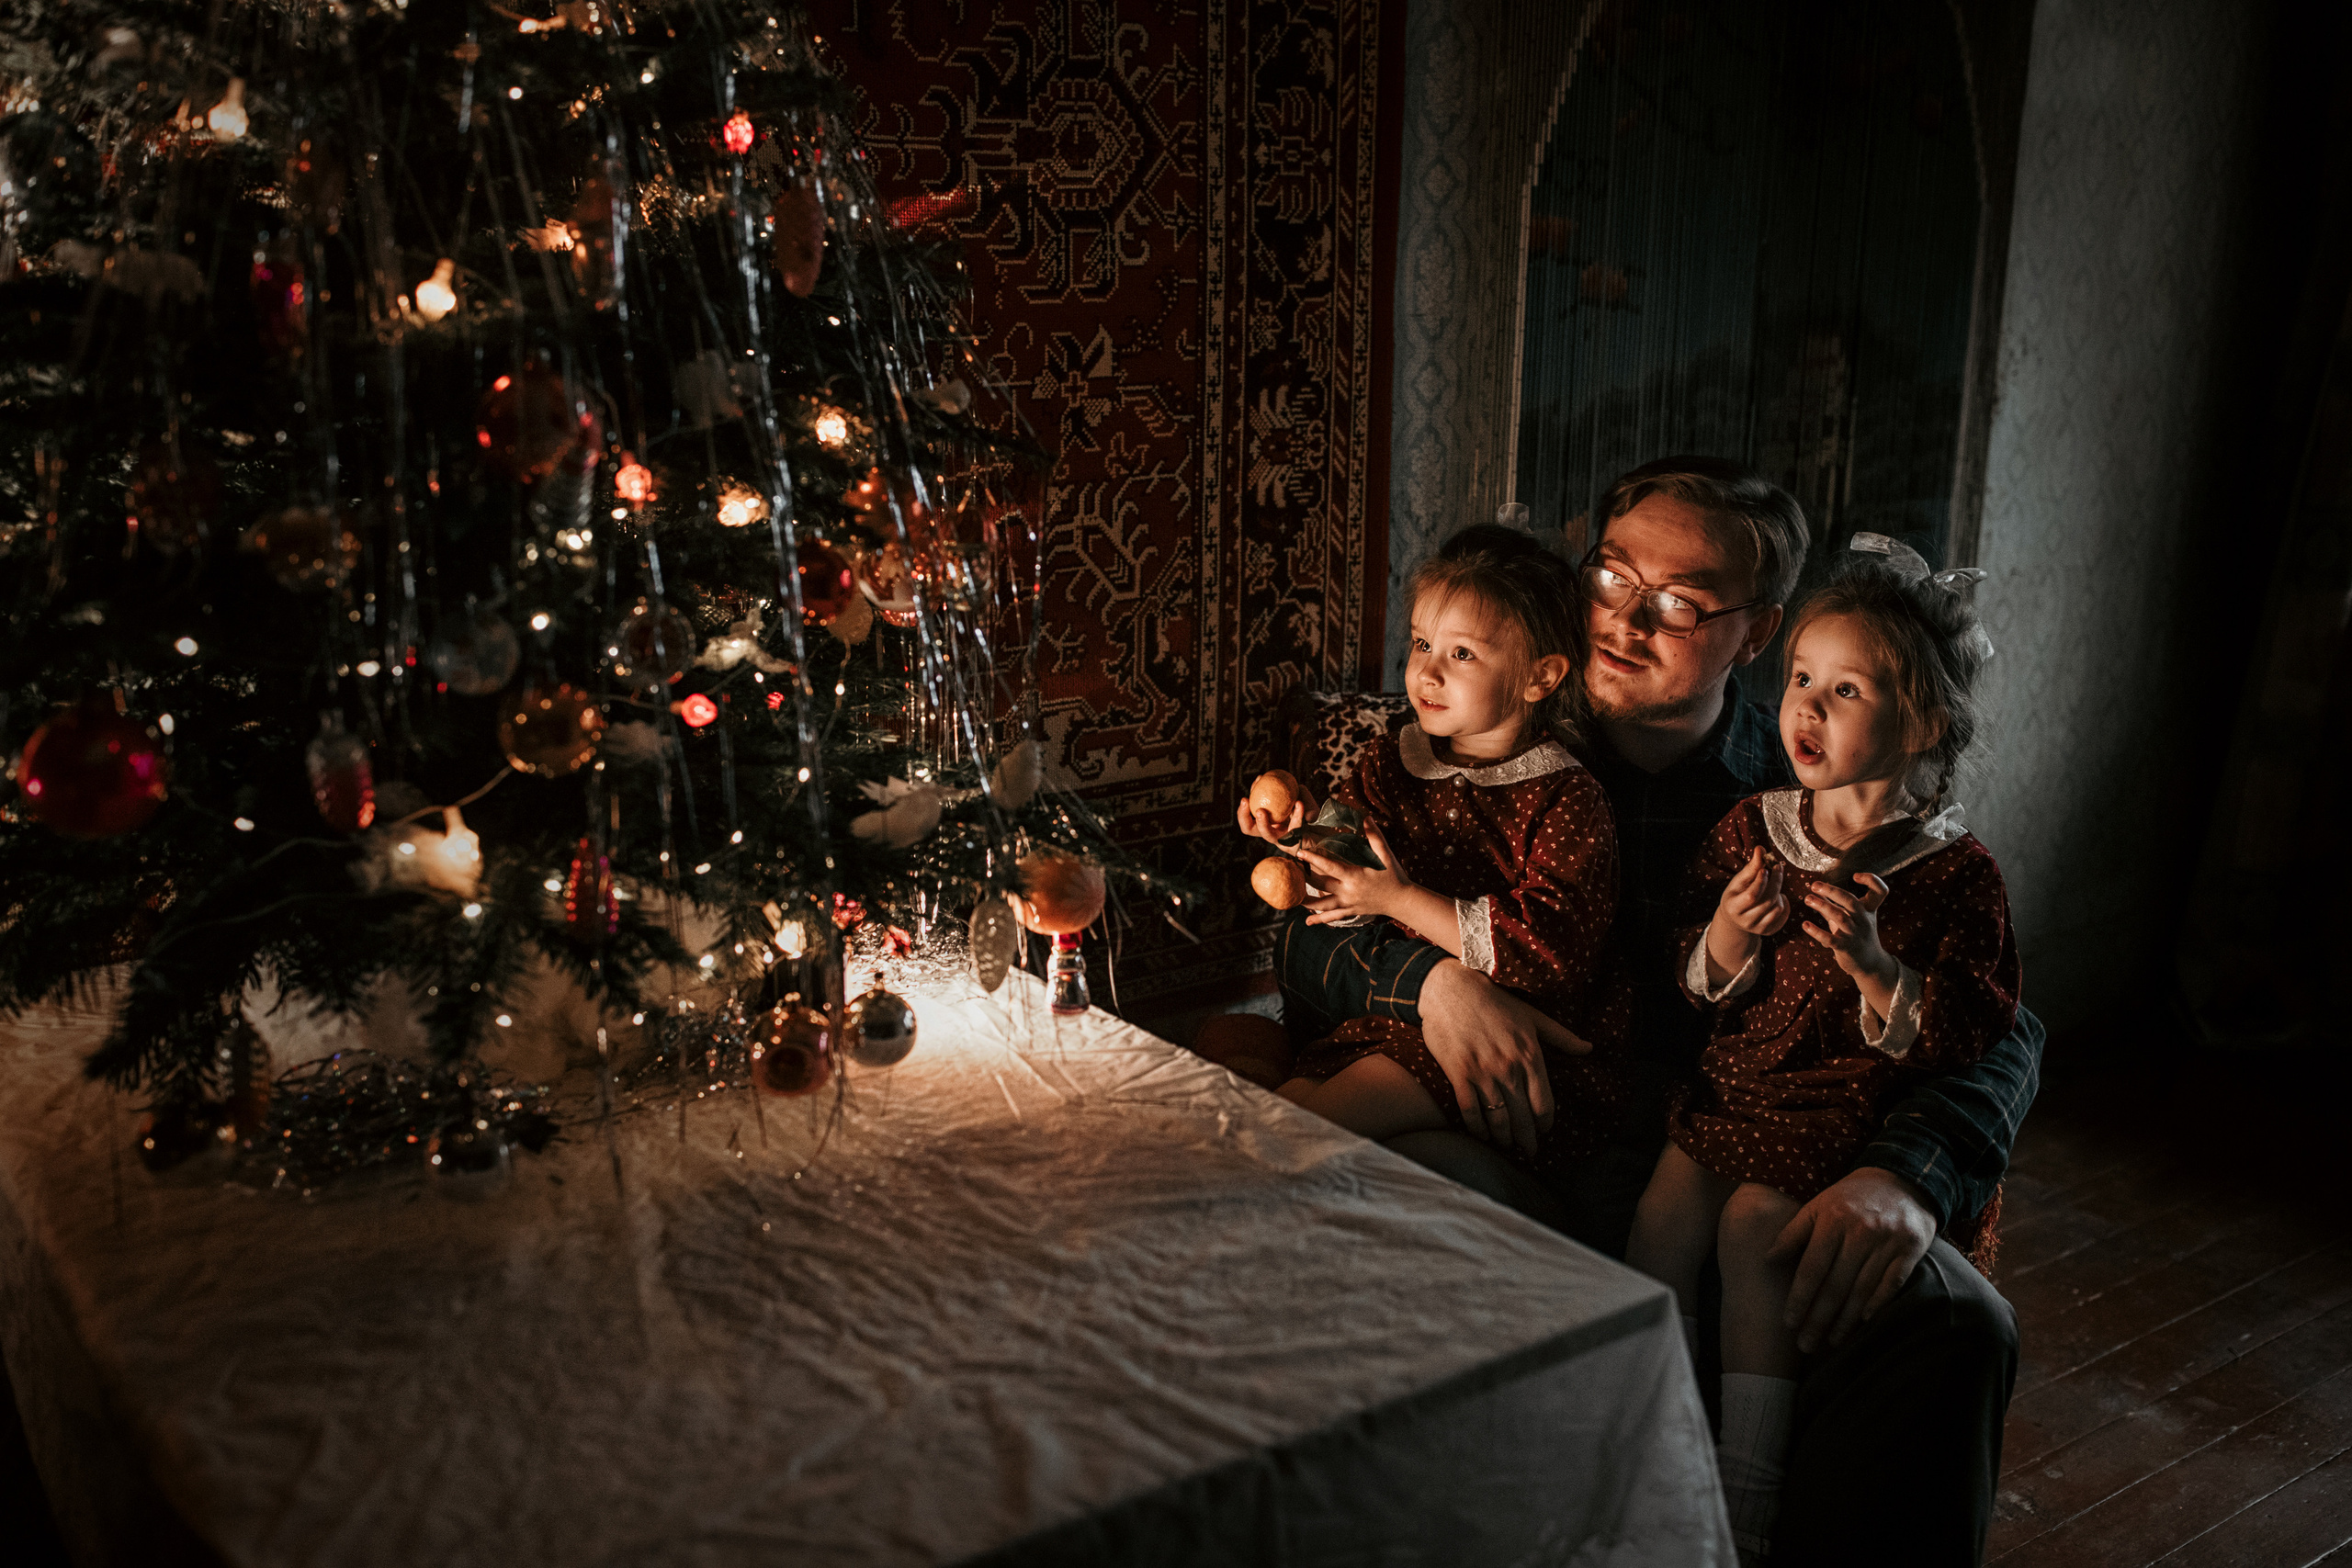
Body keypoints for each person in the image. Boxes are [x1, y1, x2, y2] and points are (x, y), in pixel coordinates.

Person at [1266, 457, 2042, 1568]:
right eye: (1610, 579)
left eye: (1678, 605)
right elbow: (1301, 929)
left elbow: (2002, 1023)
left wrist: (1906, 1176)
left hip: (1758, 1151)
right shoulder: (1476, 727)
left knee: (1956, 1324)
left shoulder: (1804, 793)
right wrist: (1434, 986)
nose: (1626, 621)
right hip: (1533, 1144)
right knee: (1367, 1189)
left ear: (1757, 632)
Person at [1626, 537, 2020, 1563]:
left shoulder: (1952, 874)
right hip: (1729, 1095)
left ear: (1922, 721)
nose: (1804, 707)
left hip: (1837, 1117)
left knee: (1758, 1229)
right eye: (1800, 678)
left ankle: (1746, 1490)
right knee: (1660, 1227)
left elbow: (1977, 1030)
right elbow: (1690, 974)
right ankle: (1649, 1452)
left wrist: (1878, 968)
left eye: (1844, 690)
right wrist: (1727, 934)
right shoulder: (1753, 828)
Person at [1238, 525, 1634, 1163]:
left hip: (1510, 1037)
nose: (1426, 669)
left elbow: (1551, 949)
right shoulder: (1395, 759)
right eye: (1422, 642)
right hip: (1394, 1020)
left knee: (1291, 1137)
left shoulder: (1566, 796)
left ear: (1540, 677)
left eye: (1463, 655)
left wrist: (1399, 898)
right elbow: (1340, 880)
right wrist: (1300, 835)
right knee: (1275, 1104)